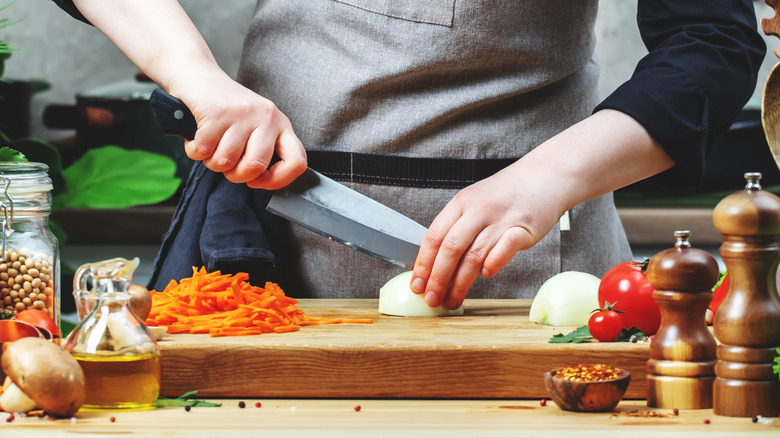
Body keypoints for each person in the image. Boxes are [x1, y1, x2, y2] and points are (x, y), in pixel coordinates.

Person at [54, 0, 764, 309]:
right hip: (269, 250)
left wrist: (547, 178)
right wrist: (199, 79)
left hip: (525, 266)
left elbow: (713, 47)